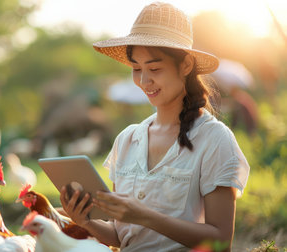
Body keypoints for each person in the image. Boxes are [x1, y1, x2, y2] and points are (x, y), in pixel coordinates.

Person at [59, 2, 250, 251]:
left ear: (186, 66)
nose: (144, 80)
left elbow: (221, 242)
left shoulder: (214, 139)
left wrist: (145, 216)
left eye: (155, 68)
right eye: (136, 69)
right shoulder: (126, 140)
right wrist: (85, 222)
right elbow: (121, 236)